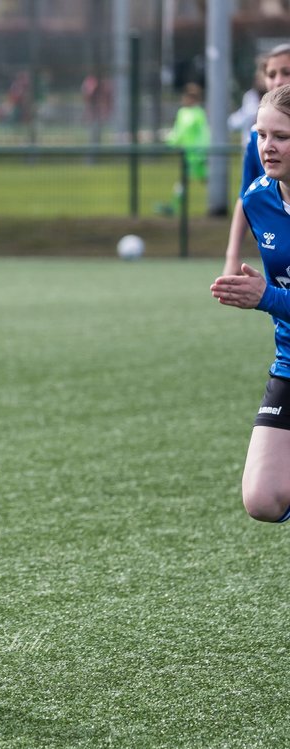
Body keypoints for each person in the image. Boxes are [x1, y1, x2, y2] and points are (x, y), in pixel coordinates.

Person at [211, 83, 290, 524]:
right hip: (289, 360)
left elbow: (276, 294)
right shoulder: (260, 198)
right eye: (261, 135)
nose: (267, 147)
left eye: (280, 136)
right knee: (262, 499)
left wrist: (268, 297)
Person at [223, 46, 290, 275]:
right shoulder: (257, 139)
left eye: (286, 72)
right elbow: (245, 196)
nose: (278, 80)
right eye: (271, 74)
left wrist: (264, 296)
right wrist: (232, 256)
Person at [158, 82, 210, 215]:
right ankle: (174, 206)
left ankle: (217, 204)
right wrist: (170, 142)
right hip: (187, 155)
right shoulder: (182, 113)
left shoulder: (199, 113)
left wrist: (203, 152)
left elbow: (204, 134)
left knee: (208, 179)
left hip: (198, 155)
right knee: (184, 180)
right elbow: (178, 132)